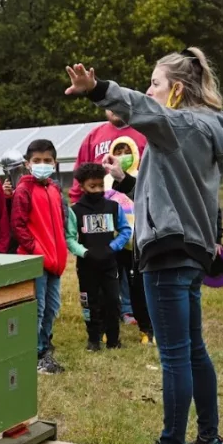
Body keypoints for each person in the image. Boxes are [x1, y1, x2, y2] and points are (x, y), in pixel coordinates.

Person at [66, 48, 223, 444]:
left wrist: (97, 90)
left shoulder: (175, 121)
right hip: (194, 251)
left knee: (175, 355)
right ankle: (210, 440)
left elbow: (137, 108)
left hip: (166, 253)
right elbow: (184, 189)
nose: (148, 90)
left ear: (176, 91)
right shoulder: (209, 127)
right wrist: (129, 179)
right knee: (195, 349)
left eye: (155, 83)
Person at [70, 114, 148, 327]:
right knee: (109, 266)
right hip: (102, 220)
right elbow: (80, 175)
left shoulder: (143, 133)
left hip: (138, 223)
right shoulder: (94, 136)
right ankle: (107, 312)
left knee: (134, 269)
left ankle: (134, 310)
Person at [11, 139, 68, 376]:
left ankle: (44, 349)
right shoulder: (24, 190)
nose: (42, 165)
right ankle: (32, 353)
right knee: (38, 308)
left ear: (55, 164)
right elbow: (19, 224)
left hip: (55, 261)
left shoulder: (54, 189)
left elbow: (61, 221)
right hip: (36, 260)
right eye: (37, 161)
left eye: (47, 161)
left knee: (52, 307)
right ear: (27, 164)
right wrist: (35, 249)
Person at [65, 163, 132, 351]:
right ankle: (93, 339)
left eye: (100, 185)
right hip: (87, 265)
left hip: (110, 264)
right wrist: (85, 252)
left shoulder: (113, 207)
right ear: (82, 187)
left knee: (112, 300)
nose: (97, 190)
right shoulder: (75, 211)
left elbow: (125, 230)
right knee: (90, 302)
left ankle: (114, 340)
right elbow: (69, 238)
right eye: (92, 186)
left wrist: (113, 247)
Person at [101, 140, 154, 343]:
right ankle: (109, 329)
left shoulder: (142, 178)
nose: (122, 155)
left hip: (136, 242)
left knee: (138, 288)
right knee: (109, 288)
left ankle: (146, 330)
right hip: (111, 242)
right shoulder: (104, 180)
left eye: (126, 151)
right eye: (118, 151)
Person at [69, 110, 147, 204]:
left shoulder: (145, 134)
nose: (114, 108)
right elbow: (80, 172)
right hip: (101, 206)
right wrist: (76, 202)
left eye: (118, 103)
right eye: (111, 105)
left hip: (138, 204)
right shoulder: (94, 136)